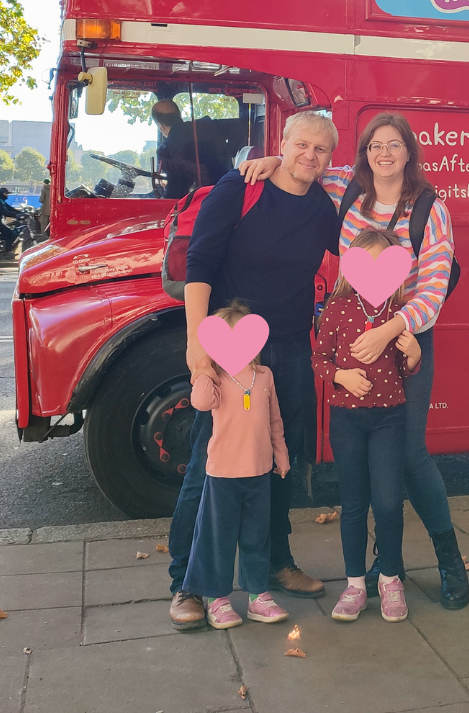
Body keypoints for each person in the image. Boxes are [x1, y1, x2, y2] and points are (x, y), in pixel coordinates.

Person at [241, 111, 469, 610]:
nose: (383, 154)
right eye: (373, 146)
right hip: (349, 343)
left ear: (409, 152)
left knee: (409, 453)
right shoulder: (347, 187)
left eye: (393, 145)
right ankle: (389, 567)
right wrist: (272, 159)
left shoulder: (431, 208)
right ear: (364, 154)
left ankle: (449, 559)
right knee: (366, 466)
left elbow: (432, 289)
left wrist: (391, 330)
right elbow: (305, 164)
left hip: (404, 340)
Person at [167, 111, 340, 632]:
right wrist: (199, 347)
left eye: (321, 150)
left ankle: (274, 564)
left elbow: (360, 241)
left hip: (287, 350)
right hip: (230, 351)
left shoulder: (323, 206)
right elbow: (198, 266)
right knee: (209, 465)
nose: (309, 156)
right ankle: (188, 583)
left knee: (279, 462)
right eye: (301, 145)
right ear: (281, 143)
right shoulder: (238, 189)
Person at [312, 228, 423, 623]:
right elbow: (319, 358)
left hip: (389, 418)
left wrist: (413, 355)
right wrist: (342, 377)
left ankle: (390, 578)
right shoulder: (338, 310)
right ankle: (355, 585)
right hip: (347, 420)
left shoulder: (399, 314)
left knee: (390, 502)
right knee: (355, 504)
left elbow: (404, 371)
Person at [183, 299, 291, 630]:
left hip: (258, 472)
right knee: (219, 538)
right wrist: (201, 369)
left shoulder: (264, 376)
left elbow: (275, 420)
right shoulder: (214, 379)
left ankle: (258, 595)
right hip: (223, 475)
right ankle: (217, 598)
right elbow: (200, 403)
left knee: (257, 536)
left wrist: (281, 453)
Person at [152, 99, 236, 199]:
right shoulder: (208, 125)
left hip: (202, 203)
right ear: (179, 116)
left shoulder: (166, 150)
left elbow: (175, 194)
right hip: (229, 192)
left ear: (160, 126)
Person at [0, 188, 22, 253]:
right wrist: (16, 215)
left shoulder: (0, 200)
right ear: (3, 194)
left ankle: (2, 246)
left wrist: (21, 212)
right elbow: (4, 212)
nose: (7, 196)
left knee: (7, 231)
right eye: (7, 194)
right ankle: (7, 251)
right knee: (11, 233)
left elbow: (10, 209)